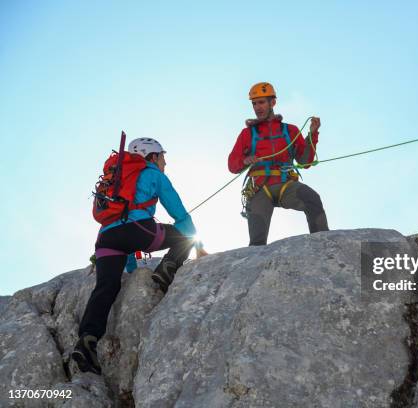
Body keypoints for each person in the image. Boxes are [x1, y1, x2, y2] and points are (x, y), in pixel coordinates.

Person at [72, 137, 207, 375]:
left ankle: (87, 340)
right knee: (183, 235)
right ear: (153, 156)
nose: (165, 162)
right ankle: (165, 272)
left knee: (106, 286)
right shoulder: (154, 174)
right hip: (138, 230)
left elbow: (123, 240)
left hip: (105, 239)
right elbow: (180, 215)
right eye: (163, 157)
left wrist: (134, 269)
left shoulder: (118, 176)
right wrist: (197, 245)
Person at [228, 82, 329, 246]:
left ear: (272, 103)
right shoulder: (247, 134)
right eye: (254, 103)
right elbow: (232, 165)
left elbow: (305, 161)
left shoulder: (290, 130)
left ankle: (323, 245)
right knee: (257, 243)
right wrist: (245, 160)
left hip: (285, 184)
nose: (257, 107)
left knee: (312, 199)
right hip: (259, 189)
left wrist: (312, 134)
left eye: (261, 102)